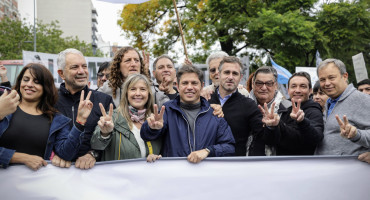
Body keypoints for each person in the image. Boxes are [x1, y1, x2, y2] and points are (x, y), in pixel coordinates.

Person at [0, 63, 93, 170]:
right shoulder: (4, 107)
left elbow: (66, 154)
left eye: (37, 82)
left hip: (36, 183)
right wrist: (19, 157)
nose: (29, 84)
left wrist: (80, 121)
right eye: (25, 79)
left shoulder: (56, 120)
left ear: (46, 87)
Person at [141, 65, 235, 163]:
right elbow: (146, 135)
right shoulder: (167, 110)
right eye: (185, 83)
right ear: (177, 86)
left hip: (205, 175)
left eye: (194, 83)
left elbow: (229, 147)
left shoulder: (215, 114)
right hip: (174, 174)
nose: (189, 87)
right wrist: (152, 128)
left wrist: (208, 151)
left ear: (202, 86)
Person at [54, 48, 114, 169]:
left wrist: (93, 153)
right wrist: (53, 154)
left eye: (84, 66)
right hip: (57, 173)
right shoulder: (50, 101)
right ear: (61, 74)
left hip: (94, 174)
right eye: (74, 67)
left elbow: (114, 139)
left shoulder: (104, 100)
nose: (81, 71)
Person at [208, 56, 280, 156]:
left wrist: (271, 126)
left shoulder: (248, 105)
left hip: (236, 165)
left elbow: (264, 137)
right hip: (204, 164)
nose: (230, 77)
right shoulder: (205, 100)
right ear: (219, 74)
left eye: (235, 73)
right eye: (226, 72)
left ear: (241, 77)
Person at [91, 74, 161, 160]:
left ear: (148, 94)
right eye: (133, 89)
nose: (138, 93)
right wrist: (104, 133)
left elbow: (163, 150)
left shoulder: (155, 120)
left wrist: (155, 157)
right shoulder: (112, 117)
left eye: (142, 89)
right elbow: (96, 145)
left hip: (148, 172)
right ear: (126, 93)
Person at [315, 58, 370, 155]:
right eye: (322, 79)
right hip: (327, 167)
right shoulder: (329, 101)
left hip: (351, 168)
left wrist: (356, 134)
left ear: (345, 76)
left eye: (331, 78)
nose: (327, 83)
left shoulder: (363, 100)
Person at [98, 46, 169, 107]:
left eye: (136, 60)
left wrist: (169, 92)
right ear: (118, 66)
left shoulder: (152, 89)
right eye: (128, 60)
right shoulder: (107, 88)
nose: (133, 64)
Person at [275, 72, 324, 155]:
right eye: (293, 86)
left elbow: (317, 138)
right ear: (288, 90)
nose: (297, 90)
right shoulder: (280, 108)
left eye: (303, 86)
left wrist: (302, 121)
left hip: (303, 164)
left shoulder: (314, 111)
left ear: (310, 91)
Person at [248, 66, 291, 155]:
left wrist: (274, 127)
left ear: (275, 85)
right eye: (259, 83)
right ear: (253, 84)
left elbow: (292, 142)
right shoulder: (243, 105)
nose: (264, 88)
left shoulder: (288, 108)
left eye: (269, 83)